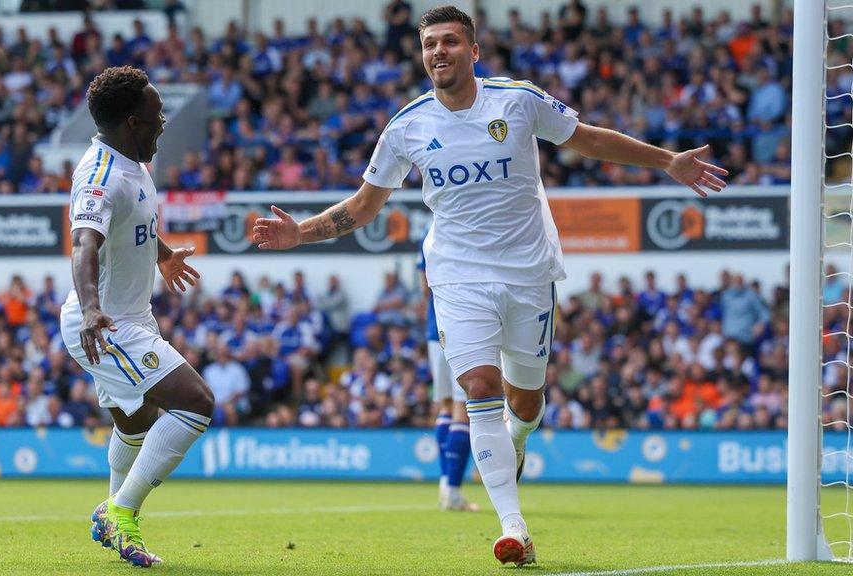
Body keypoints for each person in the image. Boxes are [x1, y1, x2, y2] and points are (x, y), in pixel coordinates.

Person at [252, 6, 727, 567]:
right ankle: (513, 526)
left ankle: (517, 438)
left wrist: (668, 160)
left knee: (525, 400)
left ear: (474, 51)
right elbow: (362, 207)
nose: (439, 52)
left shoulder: (517, 100)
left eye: (450, 42)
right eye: (430, 44)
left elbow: (589, 139)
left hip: (529, 272)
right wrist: (299, 234)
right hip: (457, 273)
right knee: (478, 384)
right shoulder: (407, 125)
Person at [59, 65, 214, 568]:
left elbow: (136, 223)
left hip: (130, 316)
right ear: (131, 122)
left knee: (135, 422)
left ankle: (114, 516)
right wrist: (90, 310)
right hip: (103, 322)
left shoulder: (134, 164)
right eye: (156, 114)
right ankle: (120, 510)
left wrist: (163, 254)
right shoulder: (100, 175)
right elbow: (85, 244)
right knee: (196, 402)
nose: (164, 121)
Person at [419, 241, 476, 512]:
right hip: (464, 327)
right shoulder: (467, 228)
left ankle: (445, 485)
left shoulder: (427, 234)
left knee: (443, 405)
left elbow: (423, 288)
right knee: (460, 407)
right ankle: (453, 491)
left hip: (434, 328)